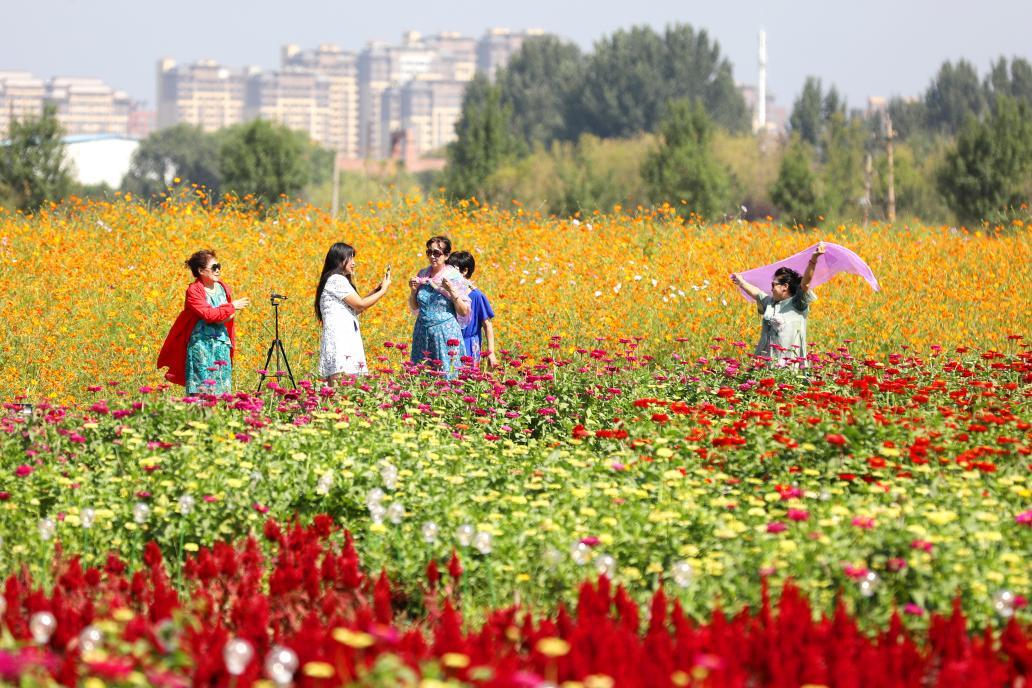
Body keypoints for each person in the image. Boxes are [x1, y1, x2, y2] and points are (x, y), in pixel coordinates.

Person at [158, 250, 250, 394]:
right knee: (201, 390)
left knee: (222, 388)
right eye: (214, 267)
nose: (218, 270)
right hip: (201, 346)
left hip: (221, 344)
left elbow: (225, 317)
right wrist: (232, 307)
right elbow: (208, 314)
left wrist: (228, 311)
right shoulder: (194, 291)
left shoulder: (223, 287)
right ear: (201, 270)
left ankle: (218, 416)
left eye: (219, 266)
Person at [730, 242, 826, 368]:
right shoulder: (770, 303)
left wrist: (813, 260)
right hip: (765, 362)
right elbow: (757, 293)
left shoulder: (797, 303)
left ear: (785, 287)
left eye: (773, 285)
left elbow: (805, 284)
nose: (771, 289)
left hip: (789, 365)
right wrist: (741, 282)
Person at [315, 242, 391, 380]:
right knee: (340, 388)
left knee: (342, 388)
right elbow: (360, 305)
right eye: (350, 258)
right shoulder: (337, 279)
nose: (354, 263)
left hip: (342, 338)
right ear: (338, 260)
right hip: (341, 340)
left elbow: (353, 309)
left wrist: (375, 291)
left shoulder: (334, 279)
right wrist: (384, 290)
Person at [409, 235, 471, 378]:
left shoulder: (453, 276)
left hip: (445, 332)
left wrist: (451, 290)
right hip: (422, 331)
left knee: (446, 374)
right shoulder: (422, 273)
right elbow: (415, 306)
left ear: (446, 255)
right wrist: (413, 291)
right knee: (421, 375)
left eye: (436, 253)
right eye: (429, 252)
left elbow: (463, 311)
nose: (432, 256)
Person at [446, 250, 498, 368]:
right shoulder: (446, 294)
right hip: (449, 344)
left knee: (468, 381)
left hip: (469, 344)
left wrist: (491, 352)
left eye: (453, 269)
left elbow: (487, 324)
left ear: (465, 271)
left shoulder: (476, 296)